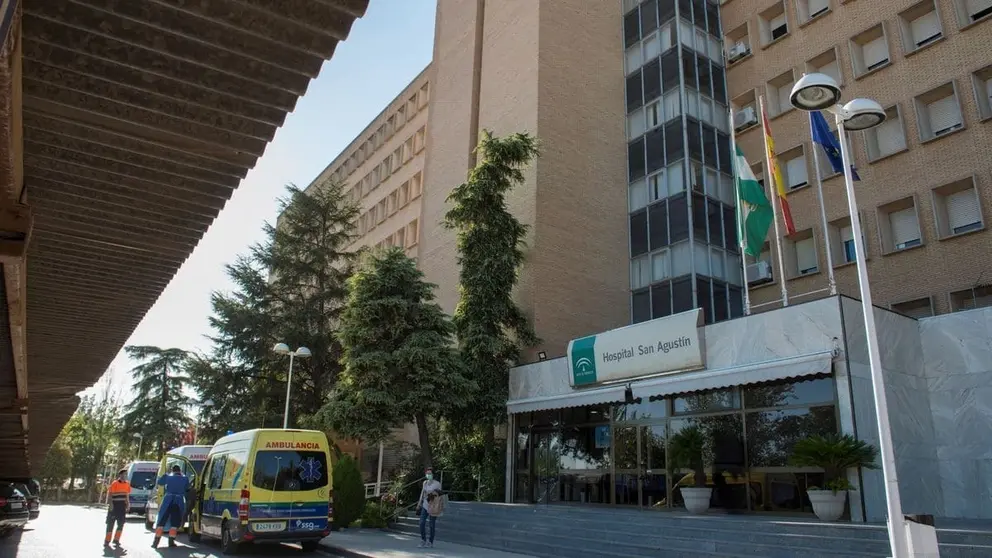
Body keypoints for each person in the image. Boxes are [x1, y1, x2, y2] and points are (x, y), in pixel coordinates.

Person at [152, 465, 188, 549]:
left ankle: (155, 543)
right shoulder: (185, 478)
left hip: (168, 501)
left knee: (162, 521)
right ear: (180, 470)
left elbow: (160, 482)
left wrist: (165, 474)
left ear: (172, 470)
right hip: (178, 501)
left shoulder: (168, 477)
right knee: (175, 523)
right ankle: (171, 542)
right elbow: (187, 488)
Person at [416, 467, 443, 548]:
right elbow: (422, 493)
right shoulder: (425, 483)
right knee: (421, 522)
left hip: (433, 506)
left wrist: (432, 494)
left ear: (433, 474)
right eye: (427, 474)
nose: (428, 475)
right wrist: (419, 503)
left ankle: (430, 541)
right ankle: (423, 540)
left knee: (431, 524)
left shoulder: (437, 484)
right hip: (425, 505)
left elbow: (439, 495)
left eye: (430, 473)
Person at [104, 469, 130, 549]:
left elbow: (127, 495)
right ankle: (107, 541)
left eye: (126, 474)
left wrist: (128, 504)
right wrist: (111, 504)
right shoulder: (115, 483)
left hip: (122, 506)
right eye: (124, 474)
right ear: (120, 475)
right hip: (114, 506)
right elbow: (110, 494)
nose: (126, 476)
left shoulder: (127, 484)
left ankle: (116, 539)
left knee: (121, 524)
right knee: (110, 524)